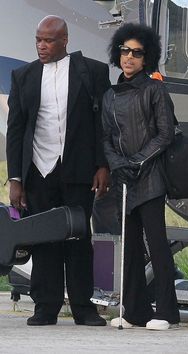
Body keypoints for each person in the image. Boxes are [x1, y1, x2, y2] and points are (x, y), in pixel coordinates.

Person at [6, 15, 110, 326]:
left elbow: (102, 123)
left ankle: (83, 307)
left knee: (78, 238)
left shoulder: (92, 71)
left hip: (78, 169)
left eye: (48, 40)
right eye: (38, 39)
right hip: (39, 170)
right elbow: (15, 130)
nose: (41, 45)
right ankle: (45, 307)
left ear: (64, 40)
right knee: (43, 239)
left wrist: (102, 164)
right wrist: (16, 179)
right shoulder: (23, 76)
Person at [102, 23, 180, 330]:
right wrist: (116, 163)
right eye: (124, 51)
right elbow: (106, 137)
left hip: (150, 179)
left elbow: (166, 134)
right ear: (117, 53)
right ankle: (135, 311)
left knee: (157, 245)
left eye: (136, 52)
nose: (129, 58)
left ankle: (167, 313)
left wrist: (136, 161)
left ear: (146, 58)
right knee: (130, 246)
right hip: (124, 179)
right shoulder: (109, 95)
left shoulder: (155, 89)